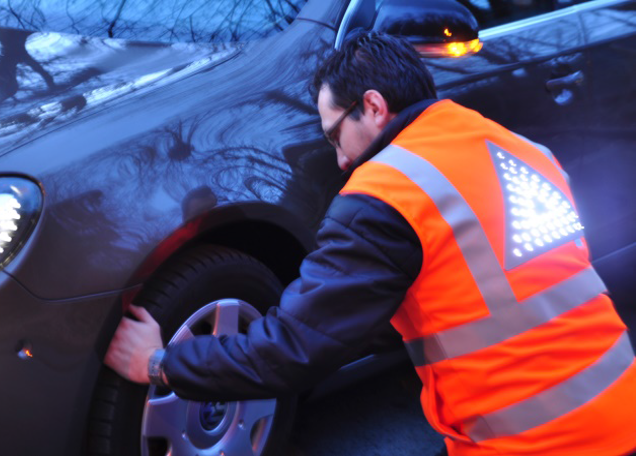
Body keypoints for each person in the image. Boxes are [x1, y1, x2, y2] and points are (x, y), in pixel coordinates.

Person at [105, 31, 636, 456]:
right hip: (621, 407)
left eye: (335, 134)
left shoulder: (387, 192)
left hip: (533, 440)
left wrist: (159, 362)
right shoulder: (521, 150)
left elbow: (292, 350)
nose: (339, 159)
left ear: (374, 107)